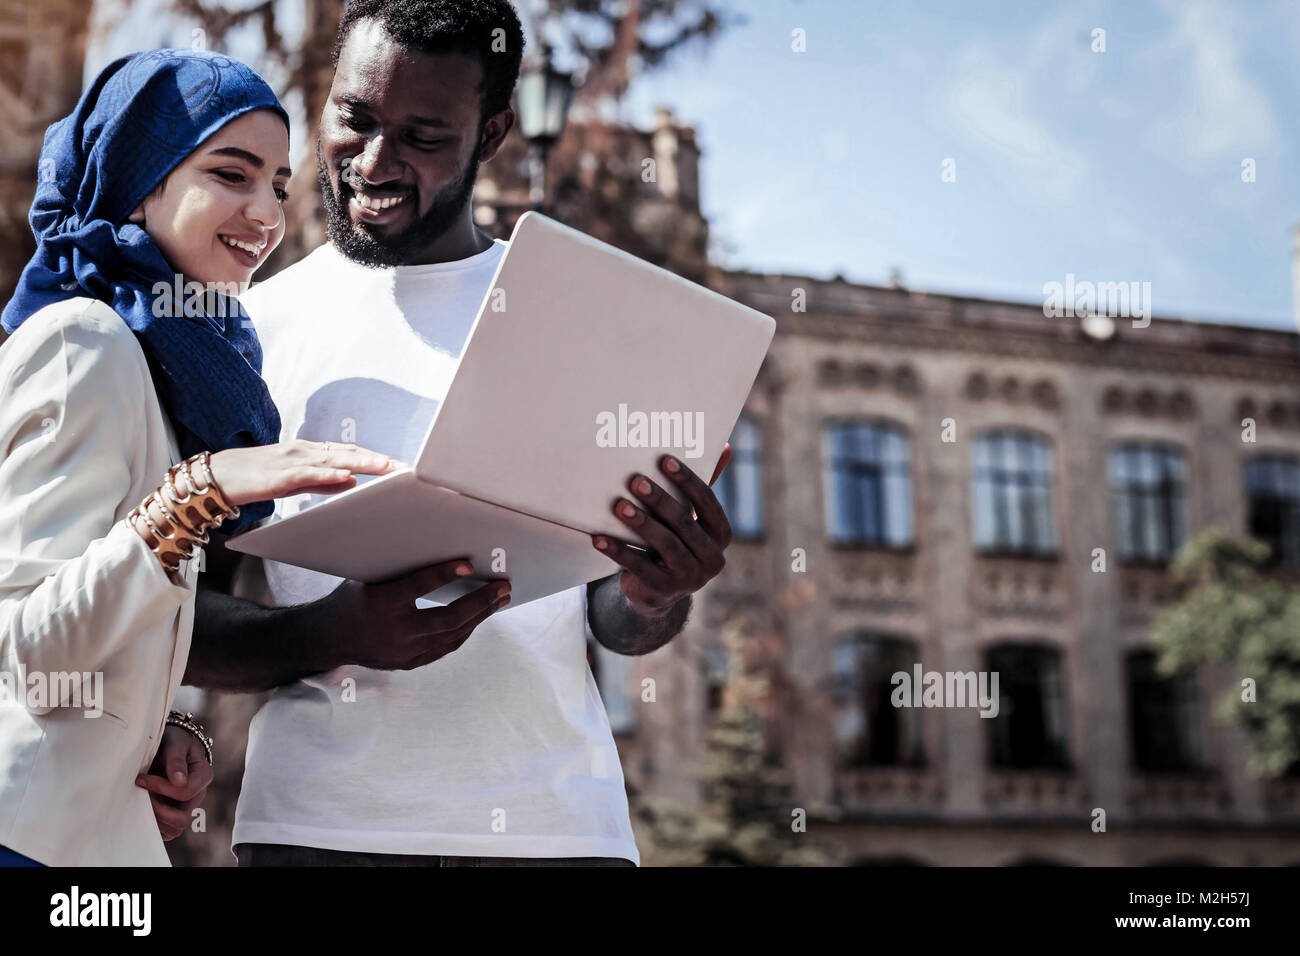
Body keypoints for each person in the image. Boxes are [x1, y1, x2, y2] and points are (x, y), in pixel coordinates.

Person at [188, 0, 734, 868]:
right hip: (318, 833)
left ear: (493, 133)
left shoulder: (578, 323)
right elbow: (180, 613)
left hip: (555, 831)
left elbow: (614, 624)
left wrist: (657, 590)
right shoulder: (247, 330)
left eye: (423, 136)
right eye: (354, 118)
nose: (373, 161)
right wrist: (333, 634)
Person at [0, 48, 398, 866]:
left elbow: (90, 637)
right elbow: (28, 647)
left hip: (88, 836)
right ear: (141, 179)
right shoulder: (86, 338)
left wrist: (156, 728)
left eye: (279, 185)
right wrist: (200, 493)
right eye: (231, 173)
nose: (265, 213)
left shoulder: (168, 359)